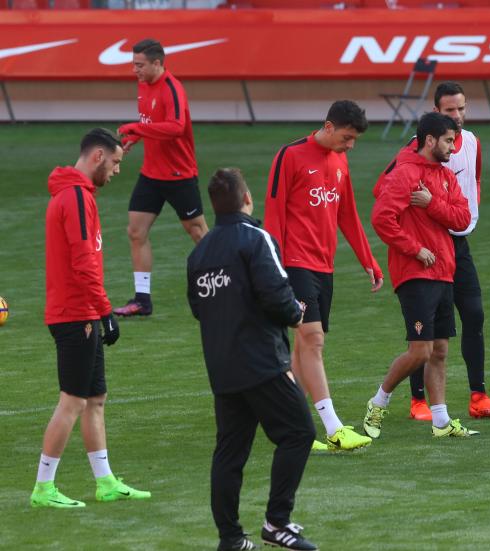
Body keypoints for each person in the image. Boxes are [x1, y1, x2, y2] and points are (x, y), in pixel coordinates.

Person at [188, 168, 317, 551]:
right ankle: (277, 523)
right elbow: (277, 295)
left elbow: (199, 308)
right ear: (247, 199)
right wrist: (295, 312)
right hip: (262, 362)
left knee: (229, 453)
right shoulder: (256, 239)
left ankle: (230, 538)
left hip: (223, 366)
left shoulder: (200, 252)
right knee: (299, 433)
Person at [375, 82, 490, 421]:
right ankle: (417, 401)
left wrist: (463, 207)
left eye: (462, 109)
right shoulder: (415, 150)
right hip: (425, 246)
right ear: (436, 114)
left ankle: (478, 396)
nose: (458, 116)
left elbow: (474, 182)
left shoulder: (474, 144)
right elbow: (384, 189)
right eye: (450, 110)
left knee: (474, 314)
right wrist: (418, 226)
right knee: (424, 336)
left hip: (456, 241)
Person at [32, 128, 150, 508]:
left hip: (79, 311)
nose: (116, 170)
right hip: (75, 315)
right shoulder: (77, 198)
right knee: (72, 401)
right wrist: (104, 312)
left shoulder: (73, 195)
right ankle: (43, 487)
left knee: (95, 398)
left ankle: (106, 481)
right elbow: (84, 263)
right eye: (115, 162)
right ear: (98, 156)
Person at [264, 100, 381, 452]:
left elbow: (348, 215)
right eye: (346, 138)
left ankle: (291, 427)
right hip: (294, 263)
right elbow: (274, 214)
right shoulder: (290, 156)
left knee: (304, 347)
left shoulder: (340, 161)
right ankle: (333, 427)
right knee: (313, 339)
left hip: (324, 267)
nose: (350, 146)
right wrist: (274, 268)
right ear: (328, 127)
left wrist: (368, 259)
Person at [365, 112, 478, 439]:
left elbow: (462, 218)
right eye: (447, 141)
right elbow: (382, 219)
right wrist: (415, 250)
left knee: (440, 349)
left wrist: (431, 203)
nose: (453, 147)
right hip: (415, 273)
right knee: (421, 351)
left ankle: (441, 422)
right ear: (430, 140)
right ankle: (378, 400)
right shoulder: (405, 175)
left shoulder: (445, 177)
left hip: (444, 272)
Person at [114, 38, 208, 317]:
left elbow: (176, 127)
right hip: (151, 173)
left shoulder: (172, 89)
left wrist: (136, 128)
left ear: (157, 63)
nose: (135, 70)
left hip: (179, 173)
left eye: (140, 65)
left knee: (199, 233)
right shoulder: (143, 84)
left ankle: (231, 286)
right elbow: (150, 123)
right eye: (133, 64)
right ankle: (142, 300)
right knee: (135, 231)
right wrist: (135, 135)